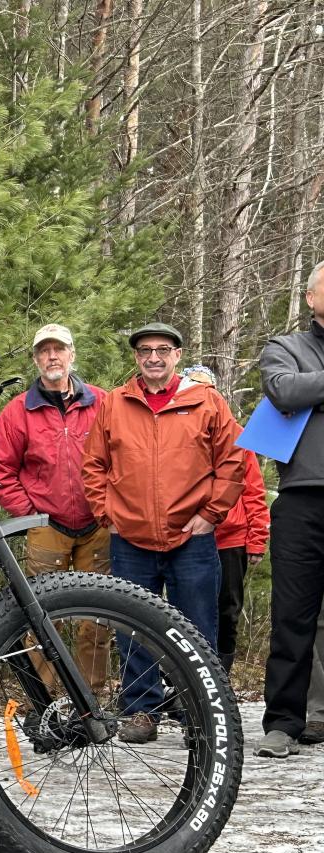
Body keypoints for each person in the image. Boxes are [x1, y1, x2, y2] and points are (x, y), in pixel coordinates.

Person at [82, 322, 245, 745]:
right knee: (133, 628)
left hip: (192, 538)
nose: (153, 357)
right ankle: (141, 711)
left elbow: (232, 461)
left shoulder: (207, 402)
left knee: (197, 631)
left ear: (177, 355)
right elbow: (94, 465)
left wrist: (212, 514)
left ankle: (201, 715)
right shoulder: (116, 403)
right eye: (145, 351)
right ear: (136, 358)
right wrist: (107, 514)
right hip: (130, 539)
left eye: (163, 350)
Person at [0, 323, 109, 693]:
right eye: (44, 351)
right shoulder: (18, 411)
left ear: (72, 354)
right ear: (36, 359)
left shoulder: (102, 402)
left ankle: (91, 697)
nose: (52, 357)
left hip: (97, 526)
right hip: (46, 528)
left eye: (59, 349)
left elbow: (121, 458)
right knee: (41, 618)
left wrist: (109, 509)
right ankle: (46, 698)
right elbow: (0, 471)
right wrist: (31, 516)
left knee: (97, 618)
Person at [257, 261, 324, 758]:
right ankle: (283, 722)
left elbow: (303, 393)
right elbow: (283, 391)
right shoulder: (286, 348)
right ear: (310, 298)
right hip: (302, 500)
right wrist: (305, 391)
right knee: (292, 615)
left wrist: (312, 392)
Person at [178, 365, 269, 678]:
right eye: (193, 386)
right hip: (187, 537)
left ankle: (220, 678)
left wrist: (257, 540)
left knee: (227, 611)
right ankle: (188, 681)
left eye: (207, 388)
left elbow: (253, 491)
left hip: (231, 540)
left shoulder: (238, 435)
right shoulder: (176, 431)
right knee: (186, 612)